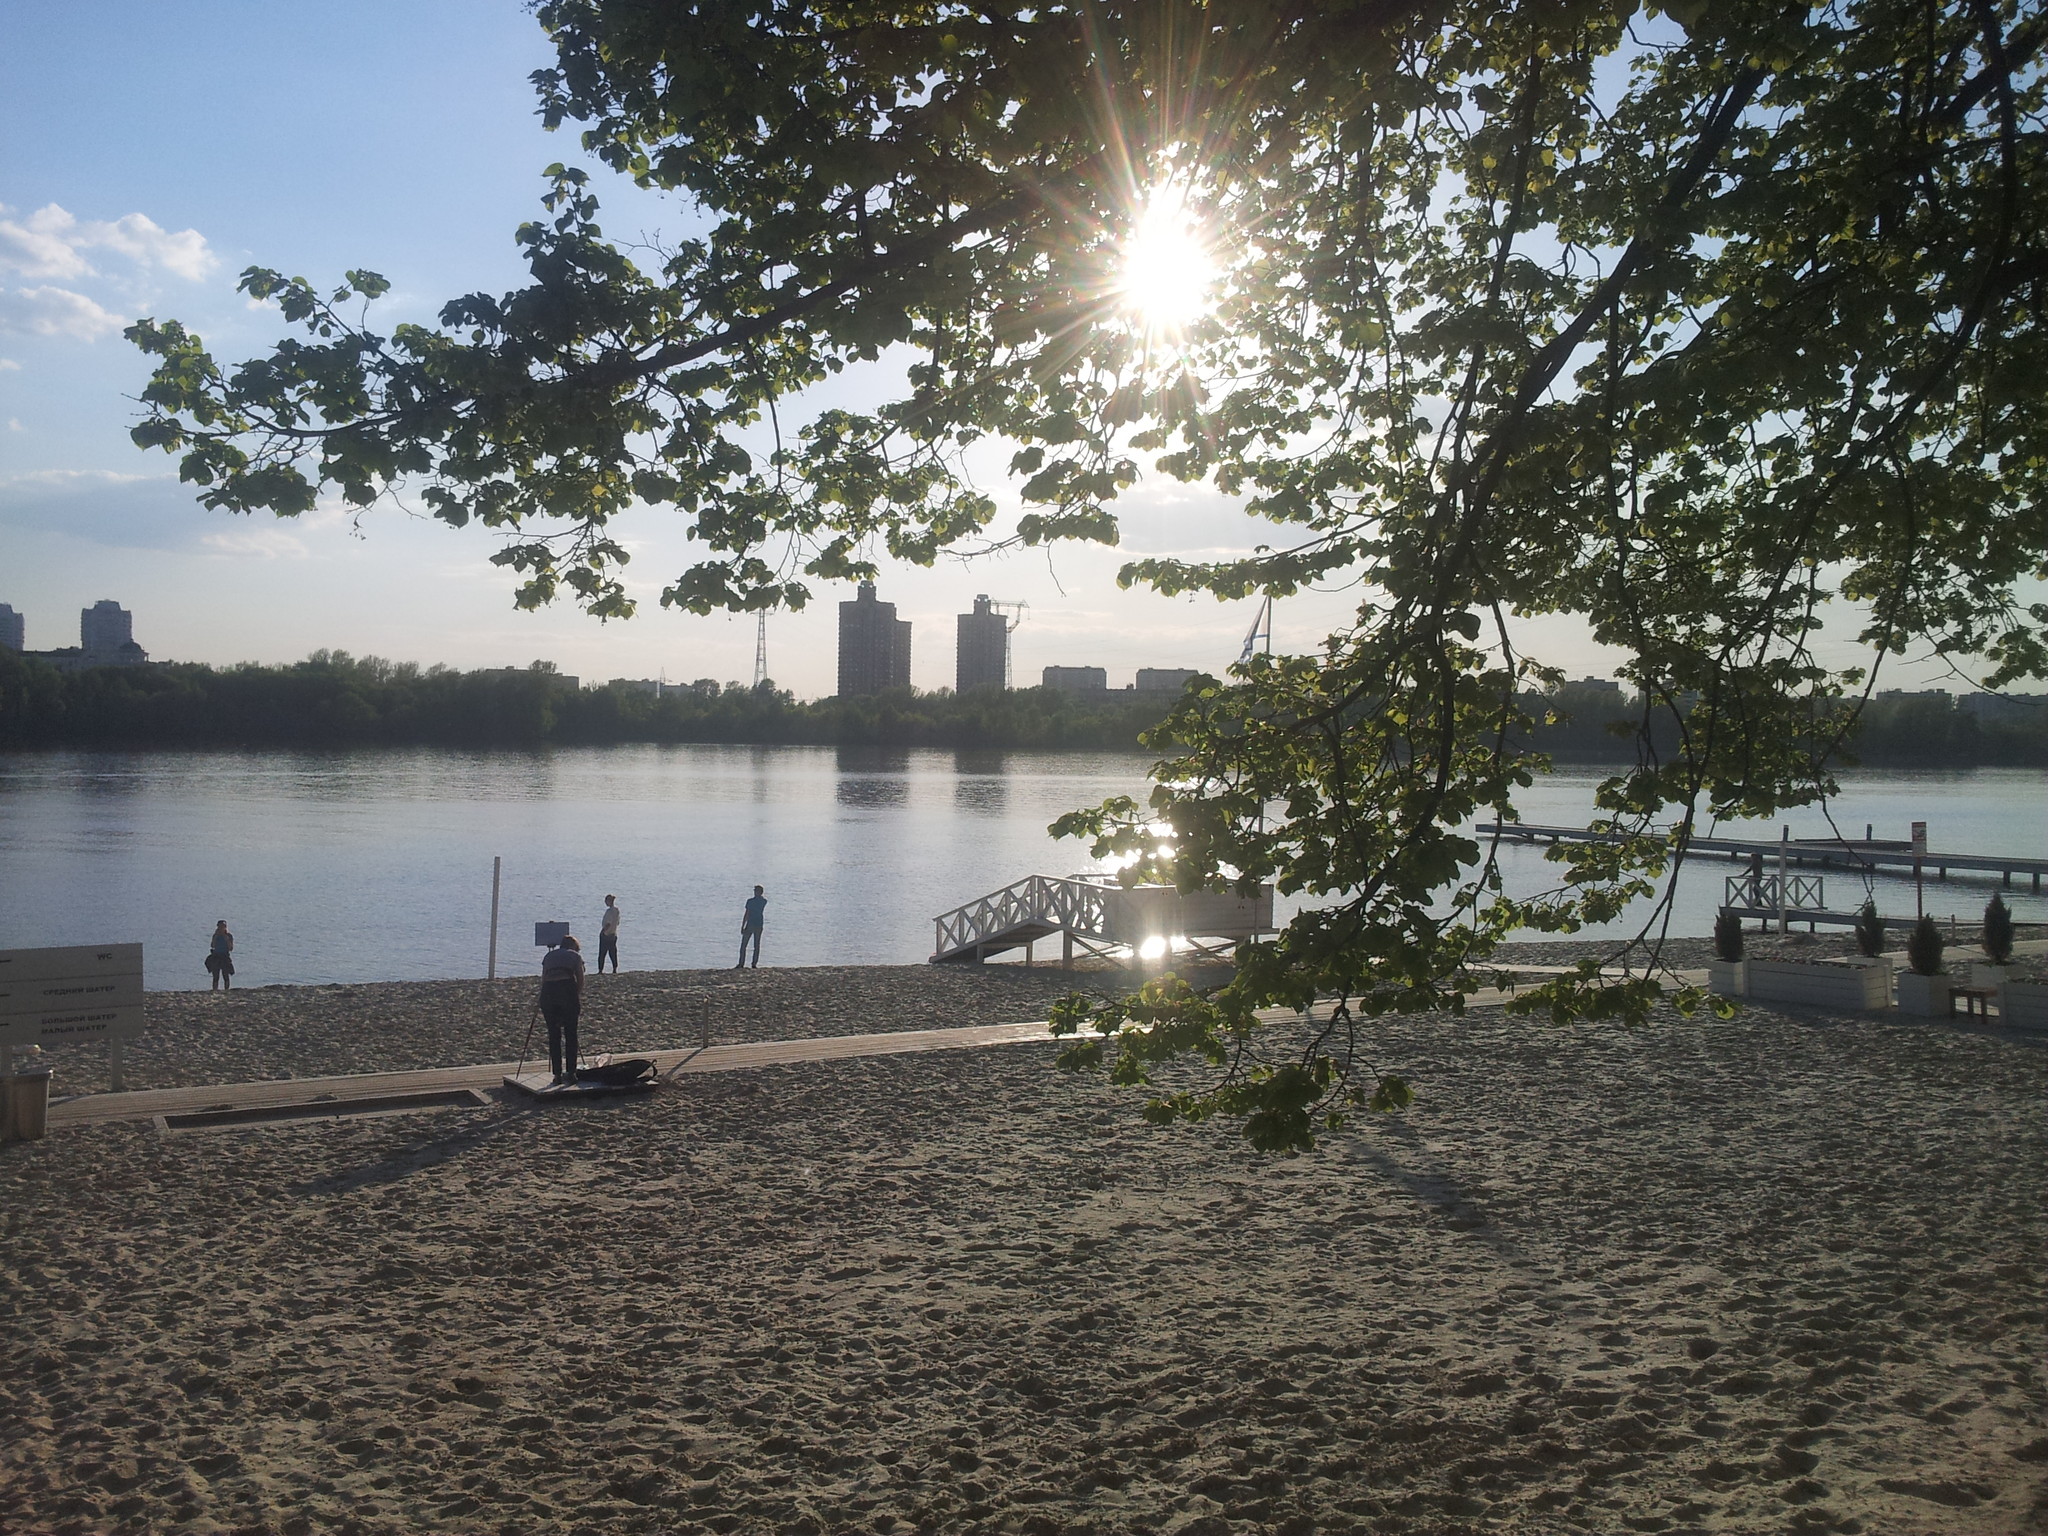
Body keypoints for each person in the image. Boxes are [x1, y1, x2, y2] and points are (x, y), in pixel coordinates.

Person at [538, 935, 586, 1084]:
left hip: (548, 993)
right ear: (574, 946)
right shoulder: (575, 956)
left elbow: (544, 978)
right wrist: (574, 995)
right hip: (566, 989)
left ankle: (557, 1074)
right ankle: (571, 1072)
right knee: (571, 1033)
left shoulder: (549, 955)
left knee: (554, 1035)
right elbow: (580, 979)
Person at [736, 885, 767, 968]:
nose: (754, 892)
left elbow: (747, 914)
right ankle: (753, 963)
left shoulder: (750, 901)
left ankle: (742, 963)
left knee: (744, 945)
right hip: (758, 924)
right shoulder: (764, 901)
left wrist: (743, 925)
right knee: (756, 945)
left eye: (755, 891)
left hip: (751, 924)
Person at [205, 920, 235, 991]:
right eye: (220, 926)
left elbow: (231, 948)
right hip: (216, 956)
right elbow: (212, 946)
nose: (221, 928)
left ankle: (226, 990)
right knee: (215, 976)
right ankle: (215, 990)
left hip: (224, 956)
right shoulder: (215, 935)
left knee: (226, 975)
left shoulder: (229, 936)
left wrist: (227, 939)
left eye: (223, 926)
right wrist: (215, 937)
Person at [597, 894, 622, 973]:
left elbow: (608, 923)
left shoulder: (609, 912)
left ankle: (600, 969)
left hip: (606, 934)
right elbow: (617, 922)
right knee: (613, 952)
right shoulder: (617, 911)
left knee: (602, 953)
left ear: (609, 901)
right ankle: (614, 968)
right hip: (613, 934)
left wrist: (603, 931)